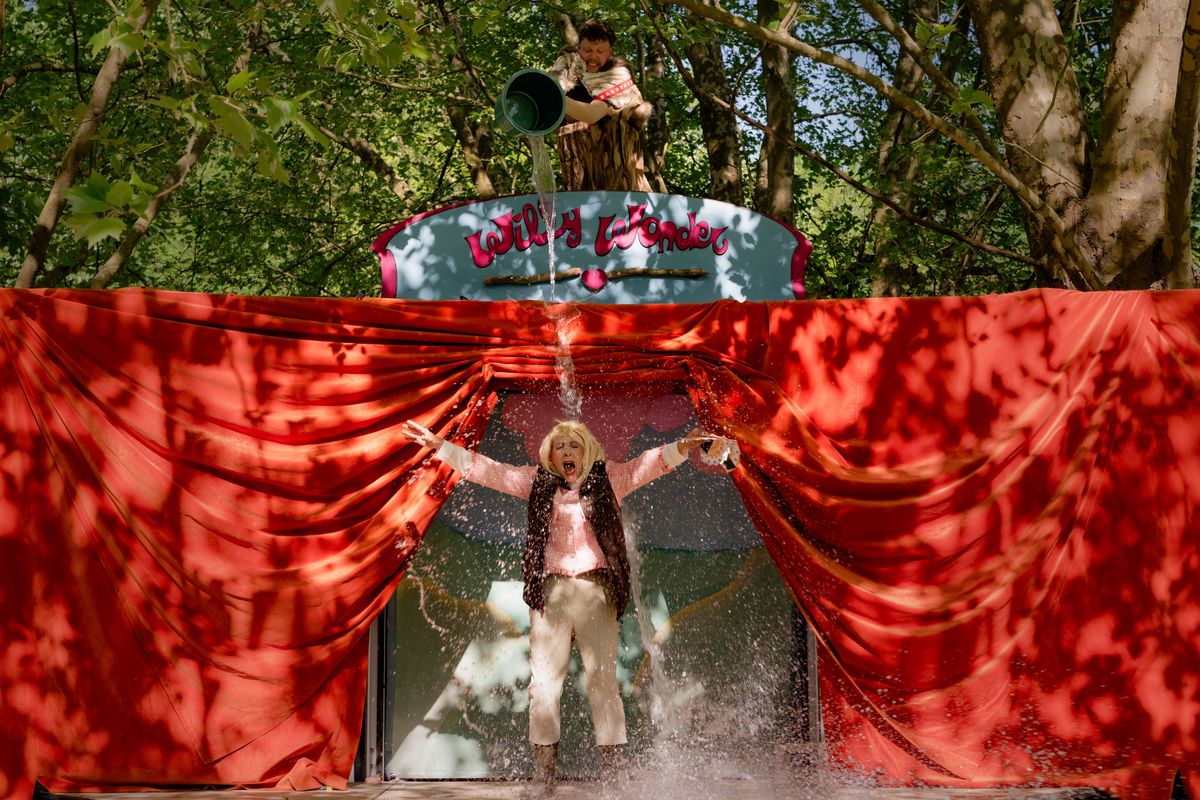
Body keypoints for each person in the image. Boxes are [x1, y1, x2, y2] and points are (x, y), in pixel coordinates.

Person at [399, 418, 719, 793]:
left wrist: (685, 445)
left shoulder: (609, 478)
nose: (567, 452)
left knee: (603, 683)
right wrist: (440, 446)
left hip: (595, 589)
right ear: (551, 456)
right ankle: (543, 777)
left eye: (574, 445)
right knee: (543, 687)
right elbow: (487, 471)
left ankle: (614, 777)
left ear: (587, 451)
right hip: (551, 592)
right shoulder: (537, 482)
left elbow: (651, 464)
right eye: (560, 446)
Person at [548, 18, 653, 192]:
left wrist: (554, 98)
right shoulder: (570, 63)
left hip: (617, 166)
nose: (593, 57)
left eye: (599, 51)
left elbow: (592, 114)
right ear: (579, 48)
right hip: (578, 163)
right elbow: (553, 85)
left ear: (609, 52)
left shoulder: (617, 74)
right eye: (587, 50)